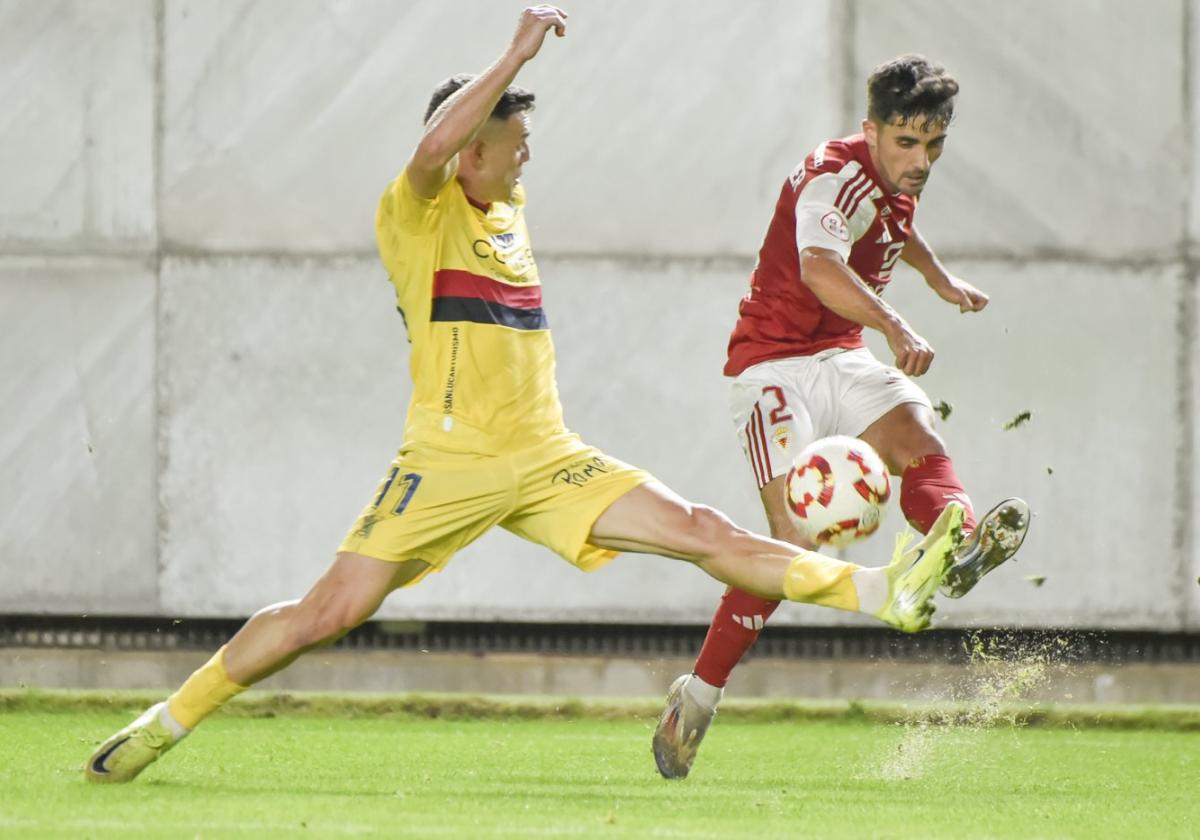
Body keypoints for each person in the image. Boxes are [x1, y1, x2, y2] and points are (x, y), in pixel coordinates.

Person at [85, 9, 967, 784]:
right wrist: (511, 59)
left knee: (705, 533)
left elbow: (476, 150)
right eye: (515, 139)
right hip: (448, 463)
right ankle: (165, 722)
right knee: (328, 614)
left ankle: (883, 591)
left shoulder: (507, 209)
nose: (528, 151)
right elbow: (432, 148)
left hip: (548, 458)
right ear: (473, 146)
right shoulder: (417, 214)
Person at [652, 55, 1030, 780]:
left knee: (918, 435)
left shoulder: (894, 180)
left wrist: (939, 277)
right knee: (791, 540)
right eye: (905, 143)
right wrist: (897, 323)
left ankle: (956, 544)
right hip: (770, 366)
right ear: (871, 129)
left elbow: (895, 226)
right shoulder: (835, 172)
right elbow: (821, 263)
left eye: (934, 144)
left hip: (840, 355)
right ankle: (697, 695)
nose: (920, 161)